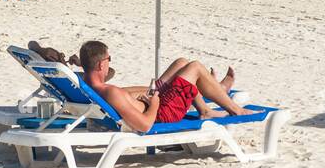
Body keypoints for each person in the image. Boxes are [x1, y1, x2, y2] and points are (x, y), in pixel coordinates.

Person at [76, 40, 249, 131]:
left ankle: (213, 95)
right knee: (195, 67)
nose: (109, 63)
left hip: (152, 103)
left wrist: (153, 93)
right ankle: (235, 109)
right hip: (163, 112)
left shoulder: (87, 85)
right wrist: (155, 103)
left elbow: (123, 96)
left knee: (182, 63)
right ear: (100, 65)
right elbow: (144, 125)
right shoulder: (111, 92)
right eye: (108, 60)